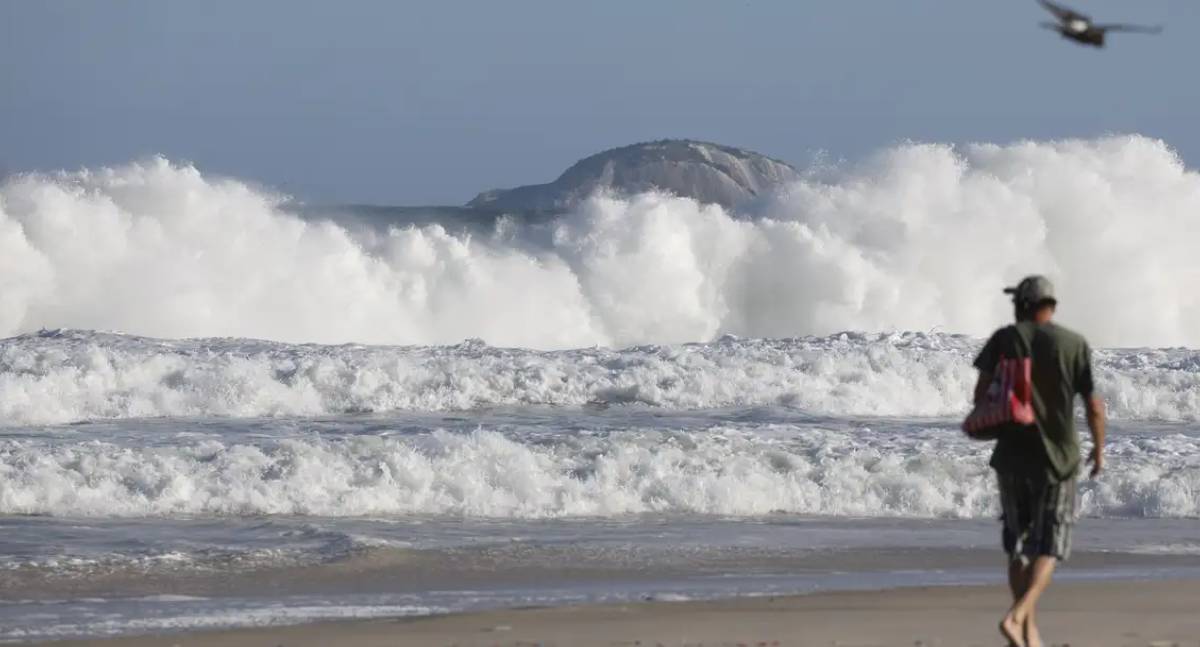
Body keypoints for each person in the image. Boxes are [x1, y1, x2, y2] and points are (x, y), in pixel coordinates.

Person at [972, 275, 1106, 647]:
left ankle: (1027, 631)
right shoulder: (1073, 344)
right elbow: (1093, 404)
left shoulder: (1005, 339)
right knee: (1050, 545)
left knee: (1017, 545)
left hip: (1012, 457)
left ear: (1023, 304)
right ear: (1050, 304)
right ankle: (1019, 619)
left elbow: (981, 395)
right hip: (1058, 460)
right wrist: (1099, 448)